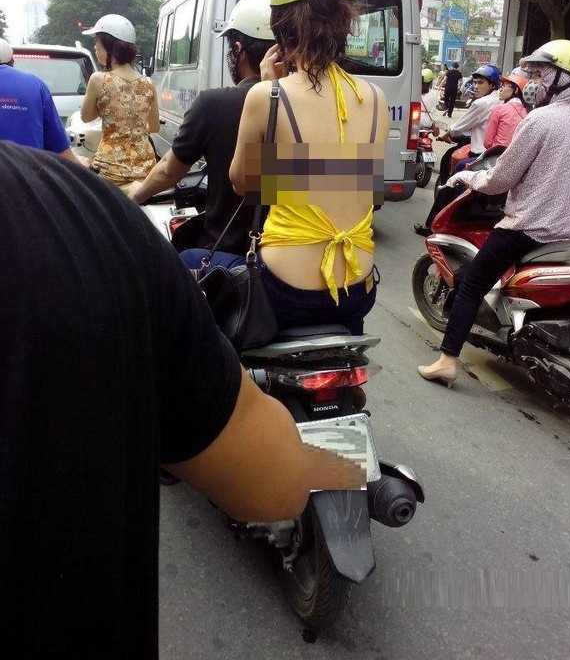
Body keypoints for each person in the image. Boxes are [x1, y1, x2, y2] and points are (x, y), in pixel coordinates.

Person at [0, 140, 364, 659]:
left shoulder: (257, 101)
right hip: (355, 282)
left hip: (279, 278)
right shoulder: (370, 104)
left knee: (194, 263)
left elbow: (239, 181)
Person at [417, 40, 570, 388]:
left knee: (470, 285)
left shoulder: (540, 120)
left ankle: (447, 361)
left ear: (564, 77)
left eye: (541, 74)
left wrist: (467, 177)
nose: (534, 82)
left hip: (530, 229)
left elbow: (500, 179)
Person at [228, 0, 390, 335]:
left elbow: (244, 185)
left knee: (198, 271)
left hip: (286, 292)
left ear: (280, 28)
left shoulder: (266, 96)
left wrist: (271, 89)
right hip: (357, 290)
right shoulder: (376, 99)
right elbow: (358, 185)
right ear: (344, 24)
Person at [129, 0, 275, 259]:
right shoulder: (306, 105)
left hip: (235, 256)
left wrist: (136, 195)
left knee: (179, 260)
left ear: (238, 50)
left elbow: (169, 171)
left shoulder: (213, 104)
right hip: (292, 257)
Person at [414, 64, 502, 237]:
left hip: (482, 155)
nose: (475, 86)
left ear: (493, 85)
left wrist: (447, 134)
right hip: (495, 154)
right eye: (475, 82)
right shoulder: (504, 102)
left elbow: (458, 127)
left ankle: (431, 225)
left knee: (451, 182)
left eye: (481, 83)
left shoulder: (482, 103)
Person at [80, 14, 160, 191]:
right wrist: (134, 126)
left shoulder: (98, 79)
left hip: (110, 171)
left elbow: (85, 117)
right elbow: (154, 127)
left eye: (97, 42)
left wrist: (108, 109)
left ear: (110, 46)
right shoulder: (148, 83)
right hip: (145, 171)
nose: (95, 47)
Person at [0, 38, 84, 164]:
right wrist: (81, 167)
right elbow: (61, 149)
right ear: (12, 61)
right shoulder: (35, 85)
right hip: (28, 173)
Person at [482, 73, 527, 151]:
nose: (500, 89)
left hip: (497, 153)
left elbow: (487, 142)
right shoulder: (526, 113)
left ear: (516, 90)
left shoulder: (499, 109)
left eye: (504, 86)